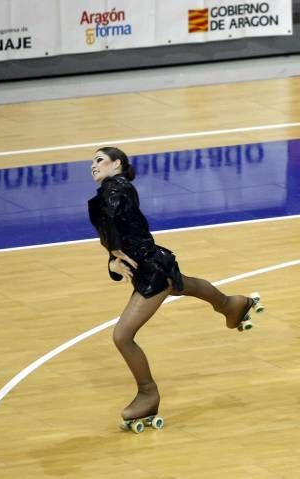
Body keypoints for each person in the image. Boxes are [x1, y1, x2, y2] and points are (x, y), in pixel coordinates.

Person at [88, 146, 263, 431]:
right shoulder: (110, 192)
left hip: (151, 271)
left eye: (99, 160)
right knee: (185, 285)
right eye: (91, 162)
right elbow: (116, 236)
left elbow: (116, 230)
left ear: (117, 164)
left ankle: (148, 393)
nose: (93, 166)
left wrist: (117, 257)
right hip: (154, 262)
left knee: (122, 336)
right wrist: (113, 262)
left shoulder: (115, 189)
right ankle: (232, 304)